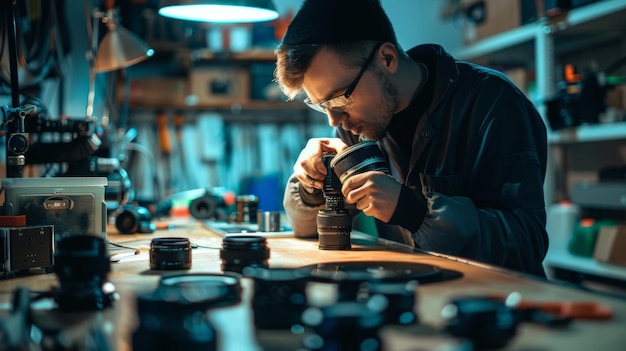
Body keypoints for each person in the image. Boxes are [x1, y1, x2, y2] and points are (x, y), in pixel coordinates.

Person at [274, 0, 549, 277]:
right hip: (417, 299)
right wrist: (312, 187)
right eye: (322, 105)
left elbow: (526, 244)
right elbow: (306, 228)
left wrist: (414, 211)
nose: (334, 121)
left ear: (387, 59)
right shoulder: (354, 125)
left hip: (500, 304)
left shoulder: (493, 103)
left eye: (341, 98)